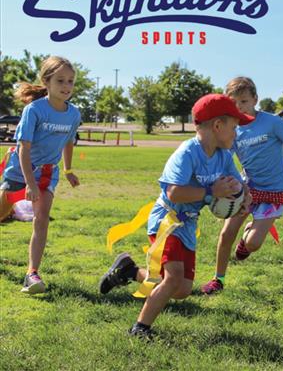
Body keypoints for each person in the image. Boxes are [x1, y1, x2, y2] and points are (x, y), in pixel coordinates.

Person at [99, 93, 253, 338]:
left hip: (188, 224)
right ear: (217, 125)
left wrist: (244, 198)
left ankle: (129, 271)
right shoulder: (187, 153)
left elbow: (239, 182)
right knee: (172, 279)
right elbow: (174, 193)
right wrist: (211, 192)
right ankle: (140, 328)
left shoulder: (223, 156)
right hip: (167, 220)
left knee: (182, 289)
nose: (237, 133)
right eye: (234, 127)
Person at [201, 77, 283, 295]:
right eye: (234, 104)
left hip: (275, 190)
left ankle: (247, 241)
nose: (240, 107)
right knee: (227, 233)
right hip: (248, 188)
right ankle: (218, 280)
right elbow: (224, 159)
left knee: (253, 244)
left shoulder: (272, 122)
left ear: (255, 99)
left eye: (244, 101)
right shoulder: (232, 130)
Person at [0, 56, 81, 294]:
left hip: (48, 173)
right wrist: (29, 183)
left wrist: (67, 170)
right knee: (2, 212)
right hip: (19, 171)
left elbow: (68, 141)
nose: (66, 86)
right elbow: (24, 148)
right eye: (60, 81)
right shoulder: (34, 110)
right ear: (46, 81)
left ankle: (31, 273)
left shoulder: (73, 113)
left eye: (70, 81)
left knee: (42, 217)